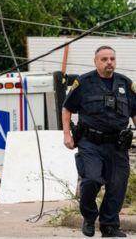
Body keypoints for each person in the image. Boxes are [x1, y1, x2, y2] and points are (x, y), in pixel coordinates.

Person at [62, 45, 136, 237]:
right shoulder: (84, 82)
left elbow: (135, 112)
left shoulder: (125, 84)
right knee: (92, 180)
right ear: (96, 62)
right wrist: (67, 134)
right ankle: (89, 216)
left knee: (118, 185)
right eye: (104, 59)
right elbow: (67, 108)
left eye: (112, 58)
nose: (109, 62)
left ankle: (109, 226)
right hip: (90, 143)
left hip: (117, 145)